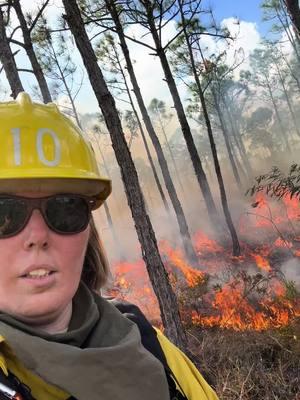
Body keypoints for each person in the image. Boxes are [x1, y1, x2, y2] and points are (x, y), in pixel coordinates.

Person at [0, 92, 218, 400]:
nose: (38, 234)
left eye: (65, 208)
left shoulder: (146, 340)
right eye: (4, 214)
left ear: (88, 231)